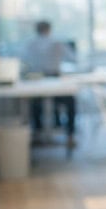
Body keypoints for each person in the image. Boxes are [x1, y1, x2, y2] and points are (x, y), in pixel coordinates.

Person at [21, 19, 77, 147]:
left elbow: (23, 60)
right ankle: (70, 136)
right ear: (49, 29)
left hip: (36, 81)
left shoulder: (30, 44)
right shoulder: (56, 42)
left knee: (33, 103)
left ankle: (37, 133)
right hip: (55, 81)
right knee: (71, 101)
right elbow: (72, 58)